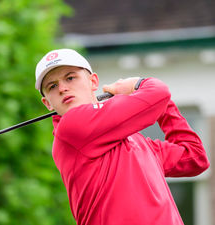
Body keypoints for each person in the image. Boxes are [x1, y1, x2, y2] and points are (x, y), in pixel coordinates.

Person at [35, 48, 210, 225]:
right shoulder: (71, 127)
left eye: (70, 78)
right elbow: (158, 92)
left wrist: (163, 106)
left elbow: (194, 157)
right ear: (47, 103)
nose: (63, 88)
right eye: (52, 86)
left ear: (93, 81)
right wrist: (135, 84)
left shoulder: (137, 141)